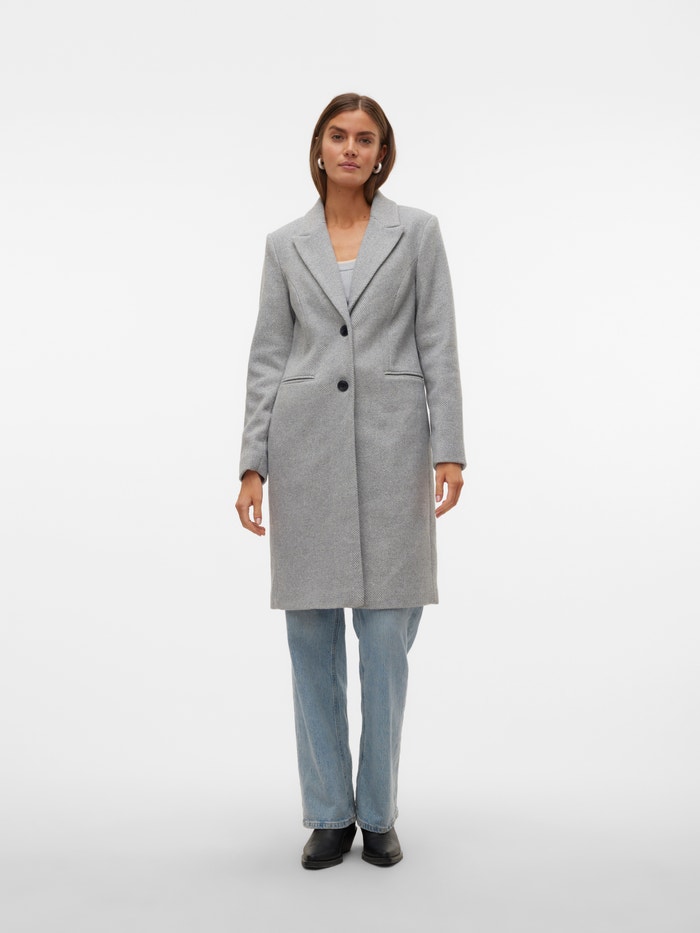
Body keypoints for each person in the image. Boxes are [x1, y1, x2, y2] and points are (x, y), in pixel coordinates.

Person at [235, 92, 466, 870]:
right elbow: (269, 354)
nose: (350, 148)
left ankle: (379, 809)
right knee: (310, 640)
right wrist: (252, 461)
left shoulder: (418, 233)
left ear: (382, 153)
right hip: (304, 454)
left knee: (386, 639)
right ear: (319, 146)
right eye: (338, 135)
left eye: (365, 138)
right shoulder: (284, 245)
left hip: (394, 449)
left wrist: (450, 447)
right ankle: (330, 812)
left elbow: (439, 341)